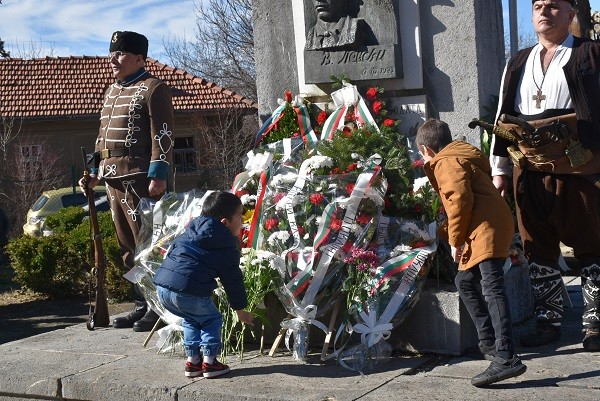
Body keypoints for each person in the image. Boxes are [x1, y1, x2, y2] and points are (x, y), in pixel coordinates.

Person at [490, 0, 600, 351]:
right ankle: (548, 322)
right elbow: (503, 115)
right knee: (537, 245)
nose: (543, 12)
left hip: (579, 167)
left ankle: (595, 325)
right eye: (537, 5)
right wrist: (500, 171)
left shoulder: (590, 53)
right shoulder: (518, 60)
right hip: (530, 168)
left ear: (570, 15)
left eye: (553, 6)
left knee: (591, 244)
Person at [417, 119, 526, 387]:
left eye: (420, 154)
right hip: (491, 222)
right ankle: (489, 342)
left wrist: (455, 240)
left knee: (492, 286)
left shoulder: (444, 161)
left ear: (427, 150)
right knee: (464, 280)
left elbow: (459, 200)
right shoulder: (457, 155)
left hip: (485, 227)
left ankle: (506, 357)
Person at [79, 31, 174, 332]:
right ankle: (141, 303)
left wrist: (158, 175)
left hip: (140, 179)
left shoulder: (153, 88)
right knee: (127, 247)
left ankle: (159, 307)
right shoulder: (110, 92)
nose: (113, 59)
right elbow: (101, 138)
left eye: (120, 54)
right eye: (113, 53)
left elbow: (164, 135)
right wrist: (93, 172)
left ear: (139, 58)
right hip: (111, 178)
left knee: (149, 244)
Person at [153, 191, 254, 378]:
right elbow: (233, 280)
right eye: (240, 216)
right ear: (225, 222)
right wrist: (240, 309)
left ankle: (193, 362)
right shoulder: (226, 244)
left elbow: (173, 252)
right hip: (188, 291)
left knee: (192, 319)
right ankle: (210, 363)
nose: (243, 221)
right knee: (211, 319)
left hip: (162, 288)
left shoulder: (190, 230)